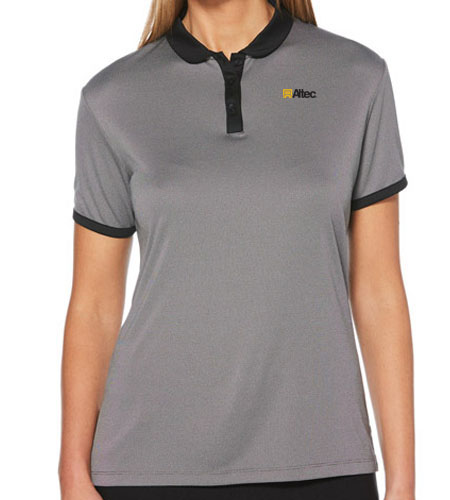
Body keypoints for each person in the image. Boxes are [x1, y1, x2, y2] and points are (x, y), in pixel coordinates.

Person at [59, 1, 414, 499]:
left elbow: (378, 291)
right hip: (148, 468)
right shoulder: (113, 97)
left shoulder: (356, 78)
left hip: (321, 458)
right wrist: (72, 471)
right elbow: (94, 304)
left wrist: (403, 482)